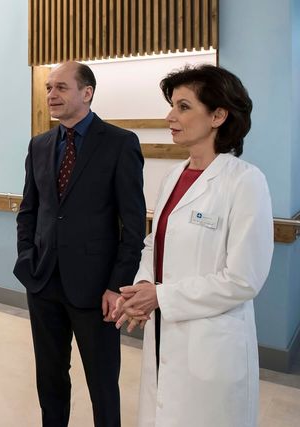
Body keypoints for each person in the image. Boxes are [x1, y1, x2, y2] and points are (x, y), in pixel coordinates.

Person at [113, 65, 273, 427]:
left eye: (183, 107)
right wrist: (143, 285)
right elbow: (154, 244)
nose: (170, 117)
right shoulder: (174, 176)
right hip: (164, 333)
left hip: (212, 343)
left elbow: (243, 279)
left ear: (218, 116)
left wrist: (160, 296)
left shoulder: (245, 182)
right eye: (172, 105)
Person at [13, 61, 146, 427]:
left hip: (96, 289)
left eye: (61, 87)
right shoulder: (40, 145)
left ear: (87, 93)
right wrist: (27, 258)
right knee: (50, 378)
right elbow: (29, 210)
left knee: (102, 383)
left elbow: (133, 224)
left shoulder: (119, 143)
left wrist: (116, 285)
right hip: (43, 282)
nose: (51, 95)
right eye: (48, 88)